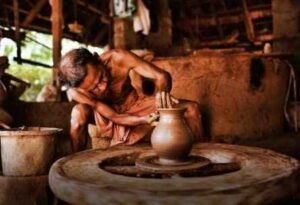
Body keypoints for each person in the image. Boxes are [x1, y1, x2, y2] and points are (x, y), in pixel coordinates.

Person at [58, 48, 204, 152]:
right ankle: (74, 161)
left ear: (98, 60)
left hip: (134, 103)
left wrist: (161, 94)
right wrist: (144, 120)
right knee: (78, 112)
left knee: (192, 109)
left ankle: (203, 155)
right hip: (107, 115)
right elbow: (115, 117)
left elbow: (161, 76)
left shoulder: (118, 57)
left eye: (101, 77)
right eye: (94, 89)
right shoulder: (77, 91)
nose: (102, 87)